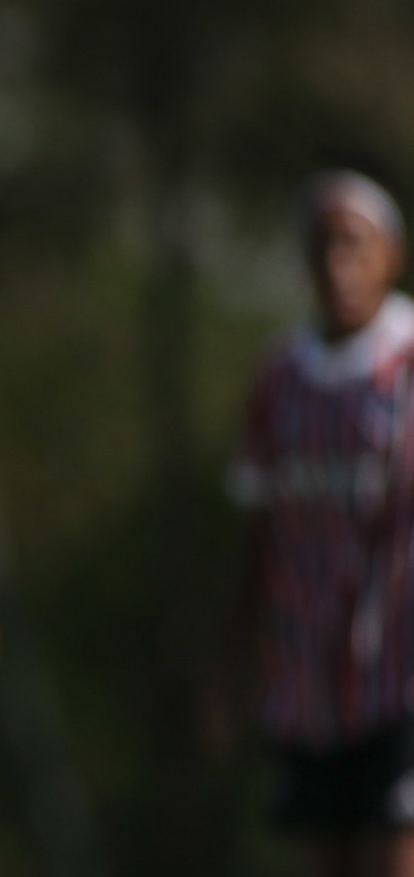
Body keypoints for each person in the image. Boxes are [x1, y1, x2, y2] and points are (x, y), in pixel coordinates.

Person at [228, 171, 414, 877]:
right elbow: (260, 525)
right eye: (322, 249)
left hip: (401, 674)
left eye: (354, 246)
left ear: (391, 255)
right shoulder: (280, 376)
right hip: (308, 676)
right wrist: (230, 656)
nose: (339, 266)